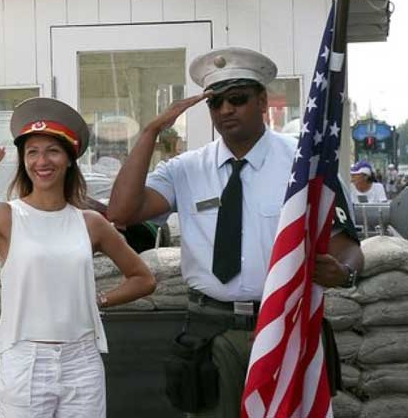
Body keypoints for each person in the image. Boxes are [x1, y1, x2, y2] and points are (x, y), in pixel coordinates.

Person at [107, 47, 364, 417]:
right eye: (216, 103)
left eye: (238, 98)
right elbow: (121, 211)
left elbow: (348, 249)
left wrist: (344, 272)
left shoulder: (305, 165)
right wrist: (150, 132)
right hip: (212, 331)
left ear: (262, 102)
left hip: (282, 326)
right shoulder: (187, 169)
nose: (226, 109)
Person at [0, 97, 157, 418]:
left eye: (52, 151)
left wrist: (98, 299)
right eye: (32, 152)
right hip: (25, 359)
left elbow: (143, 279)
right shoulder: (2, 217)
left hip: (82, 360)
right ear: (23, 161)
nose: (42, 161)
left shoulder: (91, 222)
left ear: (70, 159)